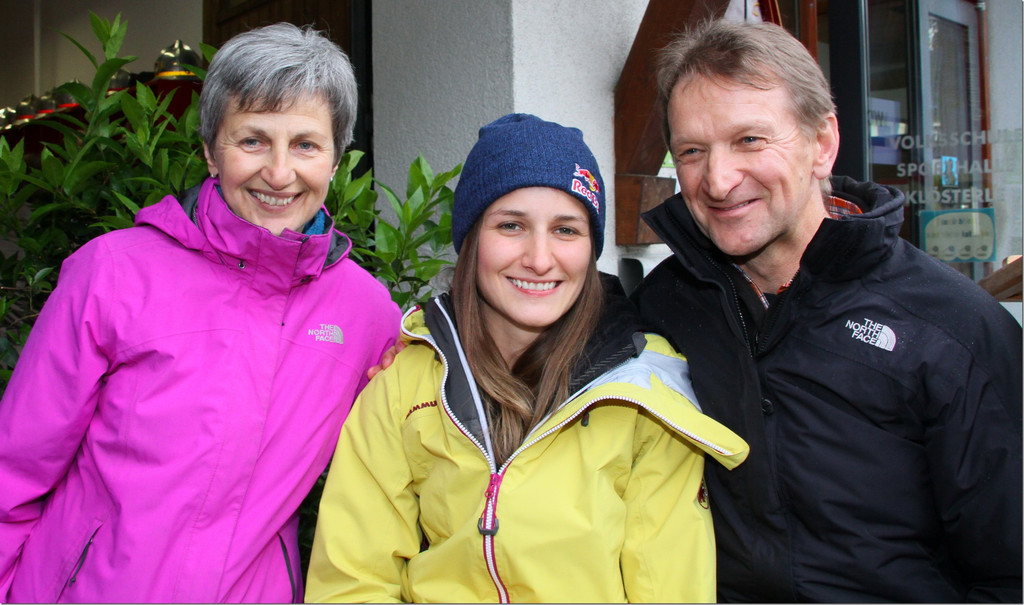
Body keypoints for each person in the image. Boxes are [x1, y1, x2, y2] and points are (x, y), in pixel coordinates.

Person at [0, 23, 400, 603]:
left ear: (336, 161)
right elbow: (14, 471)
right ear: (211, 151)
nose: (280, 173)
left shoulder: (367, 315)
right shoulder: (112, 271)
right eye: (253, 140)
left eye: (306, 145)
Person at [630, 18, 1023, 602]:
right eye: (692, 150)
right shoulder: (663, 306)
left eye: (750, 140)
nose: (718, 178)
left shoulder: (951, 328)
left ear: (823, 143)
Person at [304, 113, 749, 603]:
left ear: (591, 247)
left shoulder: (645, 394)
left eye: (566, 230)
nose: (539, 258)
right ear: (471, 240)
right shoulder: (406, 383)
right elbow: (352, 582)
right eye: (511, 225)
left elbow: (671, 586)